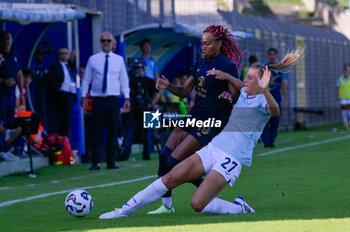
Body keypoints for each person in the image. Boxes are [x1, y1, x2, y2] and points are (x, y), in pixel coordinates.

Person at [98, 48, 303, 219]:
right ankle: (124, 211)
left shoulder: (263, 101)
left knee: (197, 204)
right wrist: (226, 78)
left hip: (232, 158)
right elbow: (240, 85)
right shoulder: (244, 92)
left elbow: (275, 111)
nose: (245, 80)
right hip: (215, 148)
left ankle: (239, 208)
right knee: (170, 177)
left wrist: (266, 90)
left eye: (250, 78)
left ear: (261, 82)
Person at [148, 25, 243, 214]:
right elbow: (183, 92)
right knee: (163, 157)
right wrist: (168, 86)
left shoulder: (227, 66)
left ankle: (207, 194)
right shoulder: (199, 63)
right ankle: (167, 207)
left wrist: (229, 96)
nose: (204, 47)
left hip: (212, 120)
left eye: (207, 43)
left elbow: (237, 94)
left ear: (219, 43)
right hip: (195, 115)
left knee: (175, 161)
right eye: (202, 43)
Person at [81, 32, 130, 170]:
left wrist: (126, 97)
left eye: (108, 41)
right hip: (98, 99)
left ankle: (111, 161)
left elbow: (124, 80)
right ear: (100, 42)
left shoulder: (119, 60)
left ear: (113, 42)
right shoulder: (93, 59)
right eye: (103, 41)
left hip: (113, 99)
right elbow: (86, 79)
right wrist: (84, 96)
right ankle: (95, 161)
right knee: (96, 131)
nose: (106, 43)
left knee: (113, 131)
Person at [121, 63, 159, 161]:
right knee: (129, 133)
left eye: (140, 68)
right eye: (136, 68)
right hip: (134, 110)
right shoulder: (131, 82)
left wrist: (151, 103)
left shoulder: (149, 81)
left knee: (148, 134)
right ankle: (125, 155)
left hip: (148, 109)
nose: (139, 70)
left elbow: (156, 94)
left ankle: (148, 154)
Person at [261, 48, 288, 148]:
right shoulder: (263, 67)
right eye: (270, 54)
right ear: (268, 56)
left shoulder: (280, 68)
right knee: (264, 121)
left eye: (274, 54)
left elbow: (284, 84)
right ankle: (266, 141)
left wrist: (285, 99)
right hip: (264, 99)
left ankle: (271, 141)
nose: (272, 56)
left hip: (276, 98)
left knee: (275, 121)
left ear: (276, 56)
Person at [47, 47, 77, 136]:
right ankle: (62, 139)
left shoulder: (69, 66)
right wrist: (58, 86)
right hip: (61, 94)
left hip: (71, 94)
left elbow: (76, 76)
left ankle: (66, 138)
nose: (64, 56)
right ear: (58, 55)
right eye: (62, 53)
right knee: (62, 119)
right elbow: (51, 79)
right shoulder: (55, 66)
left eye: (66, 53)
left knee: (68, 119)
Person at [0, 31, 24, 129]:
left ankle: (9, 142)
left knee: (11, 119)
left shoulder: (15, 55)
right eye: (4, 39)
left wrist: (21, 92)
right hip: (1, 93)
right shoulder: (1, 55)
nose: (7, 42)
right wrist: (4, 81)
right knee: (2, 119)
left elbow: (19, 74)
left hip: (11, 93)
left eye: (8, 39)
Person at [336, 64, 350, 129]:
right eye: (345, 71)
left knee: (349, 111)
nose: (346, 73)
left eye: (347, 71)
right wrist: (337, 96)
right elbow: (338, 88)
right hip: (343, 98)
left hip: (349, 97)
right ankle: (345, 123)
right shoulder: (340, 79)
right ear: (343, 72)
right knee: (344, 111)